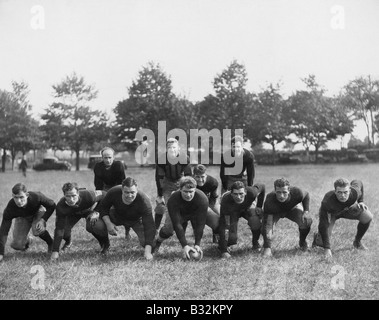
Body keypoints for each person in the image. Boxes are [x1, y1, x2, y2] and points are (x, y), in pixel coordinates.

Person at [88, 177, 155, 260]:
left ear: (137, 190)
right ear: (122, 190)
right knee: (96, 224)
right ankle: (105, 245)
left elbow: (149, 225)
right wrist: (108, 223)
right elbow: (103, 208)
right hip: (116, 215)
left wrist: (147, 252)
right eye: (126, 192)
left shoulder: (144, 201)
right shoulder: (114, 192)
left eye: (132, 192)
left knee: (152, 244)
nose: (129, 195)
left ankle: (148, 248)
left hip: (136, 220)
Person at [312, 178, 373, 260]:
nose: (343, 196)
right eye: (339, 192)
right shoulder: (327, 202)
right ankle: (317, 237)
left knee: (367, 216)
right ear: (335, 191)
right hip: (332, 213)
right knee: (321, 241)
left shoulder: (355, 192)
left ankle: (357, 242)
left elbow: (358, 182)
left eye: (345, 192)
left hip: (347, 209)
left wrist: (361, 201)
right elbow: (323, 224)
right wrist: (327, 248)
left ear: (350, 190)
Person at [153, 176, 211, 260]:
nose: (188, 195)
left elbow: (201, 223)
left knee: (213, 221)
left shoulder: (203, 199)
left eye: (191, 191)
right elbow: (177, 224)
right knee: (168, 229)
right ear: (180, 189)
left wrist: (197, 244)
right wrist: (185, 246)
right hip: (179, 213)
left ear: (195, 189)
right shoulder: (173, 199)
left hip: (193, 213)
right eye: (185, 192)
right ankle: (158, 241)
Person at [50, 183, 107, 261]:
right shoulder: (61, 206)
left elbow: (104, 194)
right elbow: (59, 228)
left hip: (88, 211)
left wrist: (97, 211)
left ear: (78, 193)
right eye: (68, 196)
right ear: (64, 195)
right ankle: (68, 242)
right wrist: (55, 251)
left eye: (74, 195)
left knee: (94, 224)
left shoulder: (88, 195)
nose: (71, 199)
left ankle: (105, 245)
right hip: (73, 214)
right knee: (64, 232)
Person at [0, 183, 55, 262]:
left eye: (21, 197)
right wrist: (1, 253)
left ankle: (51, 243)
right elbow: (3, 231)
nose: (18, 201)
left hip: (38, 212)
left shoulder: (36, 196)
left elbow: (52, 205)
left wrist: (43, 220)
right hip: (23, 217)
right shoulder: (10, 208)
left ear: (27, 195)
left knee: (37, 229)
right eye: (15, 197)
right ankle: (28, 240)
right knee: (16, 245)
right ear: (12, 196)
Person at [261, 178, 312, 257]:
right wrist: (267, 248)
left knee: (306, 221)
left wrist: (306, 211)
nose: (281, 196)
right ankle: (266, 246)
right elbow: (267, 226)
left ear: (289, 190)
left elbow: (306, 195)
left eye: (284, 192)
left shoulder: (297, 192)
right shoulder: (269, 201)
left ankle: (302, 242)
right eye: (278, 192)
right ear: (275, 191)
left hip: (291, 209)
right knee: (266, 228)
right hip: (275, 212)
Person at [219, 180, 265, 258]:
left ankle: (255, 242)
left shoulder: (252, 192)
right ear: (231, 193)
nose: (239, 197)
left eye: (241, 194)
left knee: (255, 220)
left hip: (246, 208)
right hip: (233, 212)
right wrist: (223, 251)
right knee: (231, 238)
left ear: (246, 192)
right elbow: (225, 226)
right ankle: (223, 244)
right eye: (235, 194)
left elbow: (262, 186)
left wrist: (259, 206)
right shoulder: (226, 201)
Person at [154, 138, 192, 231]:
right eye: (169, 147)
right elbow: (159, 178)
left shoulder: (184, 158)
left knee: (184, 205)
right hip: (167, 181)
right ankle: (157, 229)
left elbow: (189, 175)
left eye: (174, 147)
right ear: (166, 149)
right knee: (165, 205)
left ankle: (182, 230)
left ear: (178, 148)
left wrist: (188, 188)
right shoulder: (162, 159)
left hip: (181, 180)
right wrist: (160, 194)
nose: (172, 149)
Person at [93, 147, 130, 239]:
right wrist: (100, 198)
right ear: (102, 158)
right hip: (105, 187)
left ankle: (127, 231)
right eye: (105, 158)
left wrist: (116, 195)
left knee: (124, 207)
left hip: (117, 186)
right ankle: (103, 230)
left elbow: (122, 182)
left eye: (110, 157)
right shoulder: (98, 166)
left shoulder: (119, 165)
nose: (108, 160)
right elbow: (98, 184)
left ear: (113, 157)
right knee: (101, 208)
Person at [192, 164, 220, 243]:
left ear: (206, 175)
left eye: (202, 177)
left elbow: (214, 197)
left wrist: (209, 208)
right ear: (193, 176)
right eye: (197, 177)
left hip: (210, 201)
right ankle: (197, 237)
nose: (200, 180)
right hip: (194, 203)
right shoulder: (189, 182)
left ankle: (216, 235)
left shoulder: (213, 182)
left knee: (219, 215)